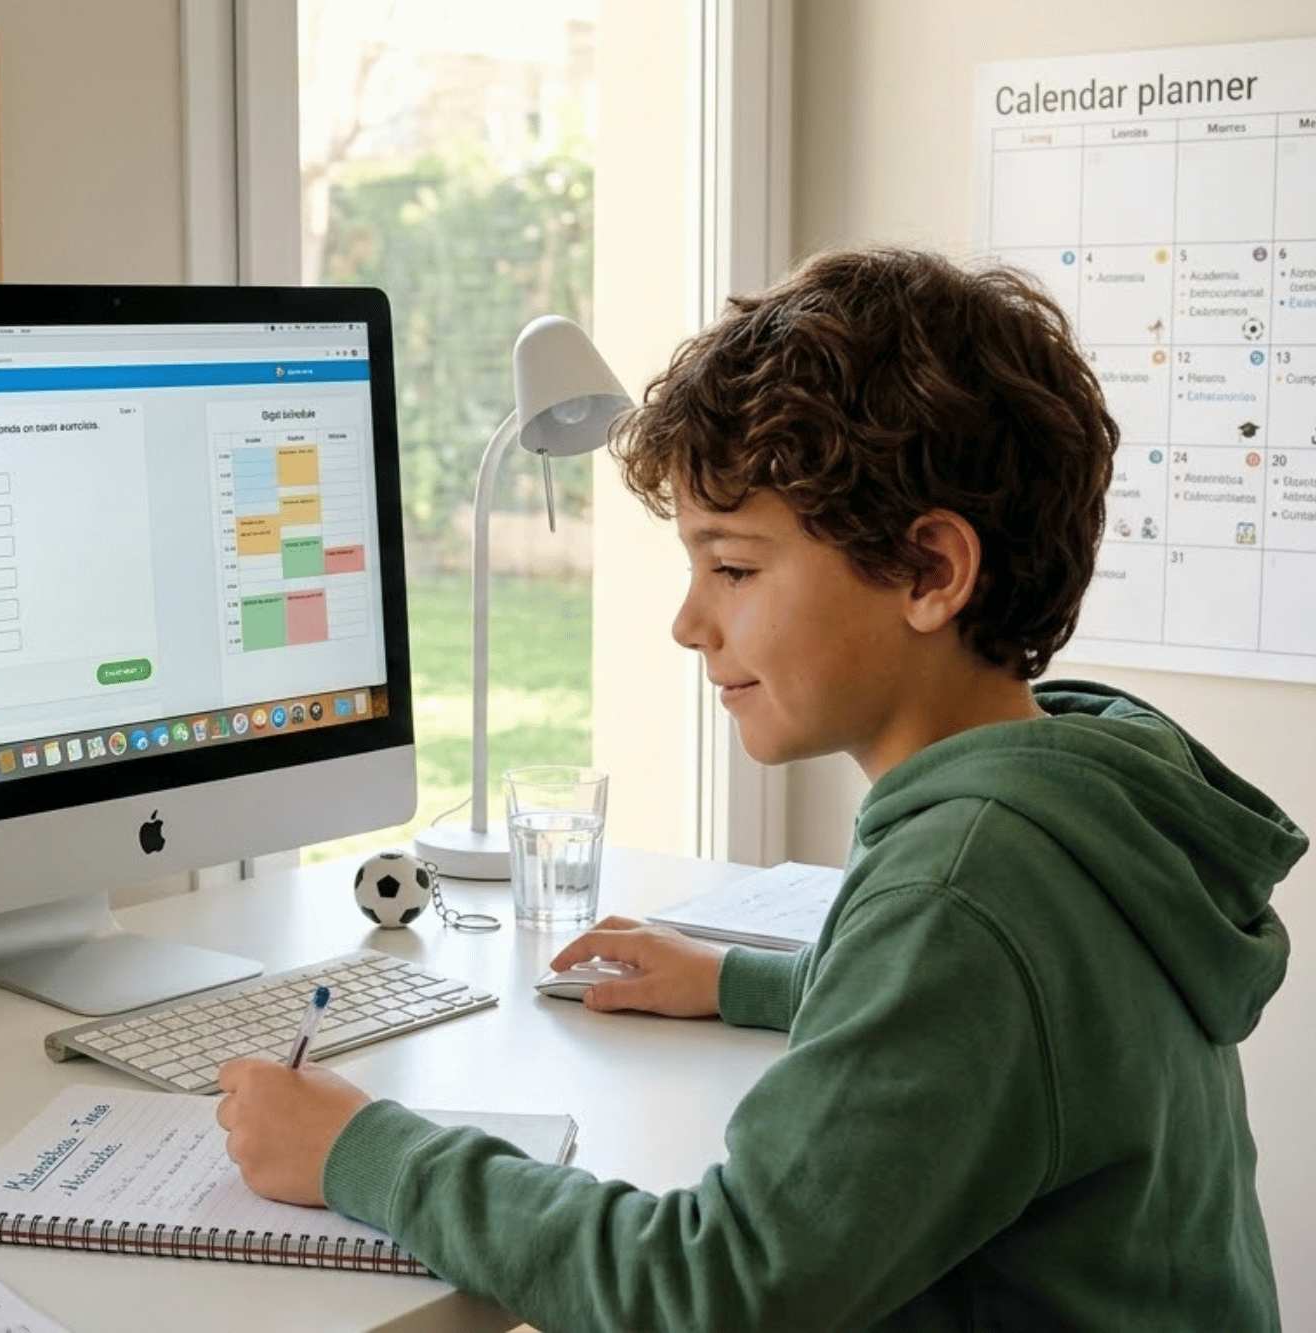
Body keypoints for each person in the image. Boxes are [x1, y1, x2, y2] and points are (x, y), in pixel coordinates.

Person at [216, 248, 1306, 1331]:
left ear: (928, 572)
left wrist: (366, 1153)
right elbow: (999, 1025)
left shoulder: (963, 892)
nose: (690, 624)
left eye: (731, 566)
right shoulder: (1072, 797)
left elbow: (718, 1289)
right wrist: (746, 981)